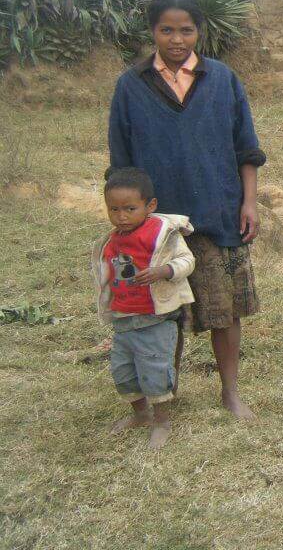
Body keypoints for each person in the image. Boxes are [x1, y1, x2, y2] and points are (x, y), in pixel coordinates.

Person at [107, 0, 266, 420]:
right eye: (166, 30)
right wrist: (127, 225)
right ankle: (161, 398)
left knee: (224, 311)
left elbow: (246, 149)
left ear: (199, 30)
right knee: (158, 317)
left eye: (186, 30)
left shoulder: (222, 80)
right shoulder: (131, 86)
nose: (177, 40)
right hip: (155, 228)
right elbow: (119, 165)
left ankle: (230, 392)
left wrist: (248, 202)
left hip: (218, 214)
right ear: (153, 31)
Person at [93, 167, 195, 449]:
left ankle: (162, 421)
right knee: (123, 372)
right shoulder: (112, 240)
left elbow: (188, 261)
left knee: (155, 371)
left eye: (129, 208)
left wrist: (164, 270)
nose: (121, 216)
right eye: (114, 209)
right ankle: (140, 414)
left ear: (150, 206)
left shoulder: (164, 233)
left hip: (154, 319)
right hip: (124, 320)